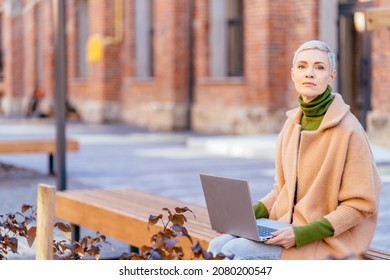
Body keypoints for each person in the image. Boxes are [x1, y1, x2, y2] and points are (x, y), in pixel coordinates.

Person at [208, 40, 382, 260]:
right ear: (293, 74)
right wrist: (244, 217)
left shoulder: (349, 130)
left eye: (319, 68)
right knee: (218, 243)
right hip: (285, 227)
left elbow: (360, 205)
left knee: (236, 250)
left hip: (325, 238)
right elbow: (282, 190)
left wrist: (301, 234)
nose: (309, 73)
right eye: (302, 66)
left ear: (331, 76)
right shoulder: (291, 124)